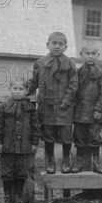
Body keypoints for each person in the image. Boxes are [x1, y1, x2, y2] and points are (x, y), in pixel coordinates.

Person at [27, 32, 78, 174]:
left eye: (60, 44)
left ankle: (66, 161)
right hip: (46, 107)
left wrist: (66, 101)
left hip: (64, 108)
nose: (57, 46)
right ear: (47, 45)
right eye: (54, 43)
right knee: (48, 136)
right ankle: (50, 162)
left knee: (66, 135)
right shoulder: (40, 63)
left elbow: (73, 85)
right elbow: (34, 81)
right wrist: (26, 93)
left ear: (66, 47)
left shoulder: (69, 63)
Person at [0, 77, 40, 203]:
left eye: (21, 89)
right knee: (7, 172)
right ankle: (7, 198)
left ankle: (18, 198)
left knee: (21, 172)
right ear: (10, 89)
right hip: (7, 147)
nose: (17, 92)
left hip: (24, 147)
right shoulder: (3, 107)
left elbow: (35, 127)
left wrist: (34, 142)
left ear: (26, 91)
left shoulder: (30, 109)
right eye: (15, 88)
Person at [72, 43, 102, 174]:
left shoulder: (101, 73)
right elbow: (73, 90)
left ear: (98, 55)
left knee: (95, 138)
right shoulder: (77, 72)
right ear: (81, 55)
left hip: (94, 114)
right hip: (80, 113)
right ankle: (80, 163)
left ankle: (96, 163)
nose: (90, 56)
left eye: (93, 54)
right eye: (87, 53)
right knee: (79, 139)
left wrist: (99, 109)